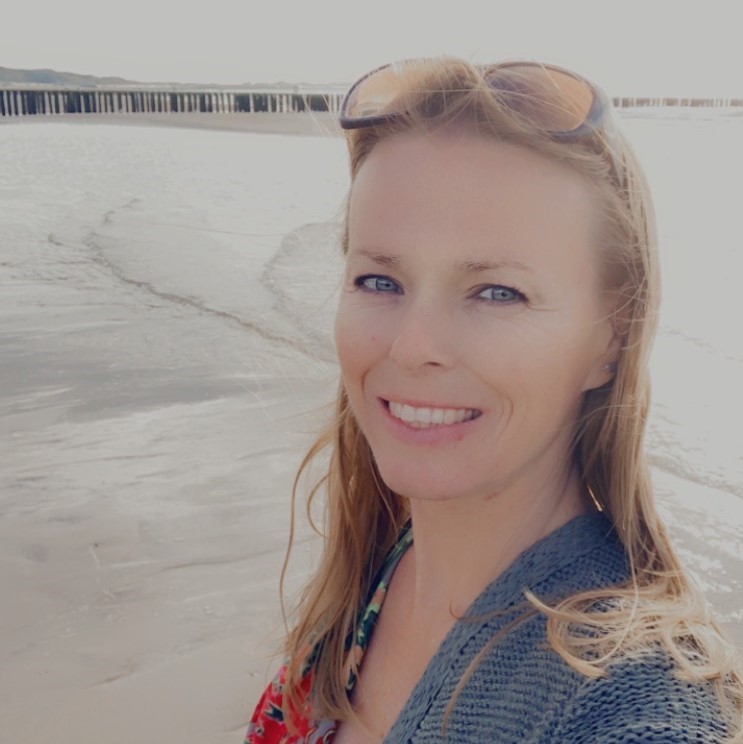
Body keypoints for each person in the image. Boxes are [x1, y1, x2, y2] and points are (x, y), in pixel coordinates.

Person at [245, 57, 743, 742]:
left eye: (497, 292)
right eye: (379, 281)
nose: (412, 347)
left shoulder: (634, 705)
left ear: (610, 337)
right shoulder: (377, 568)